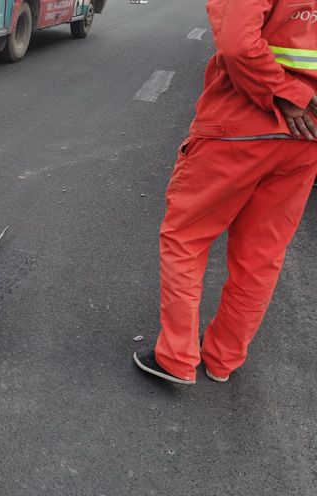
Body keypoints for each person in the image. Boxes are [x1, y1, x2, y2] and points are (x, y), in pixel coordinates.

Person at [133, 0, 317, 385]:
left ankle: (176, 358)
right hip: (306, 139)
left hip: (242, 126)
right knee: (261, 256)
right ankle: (222, 359)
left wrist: (283, 91)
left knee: (186, 237)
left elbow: (236, 44)